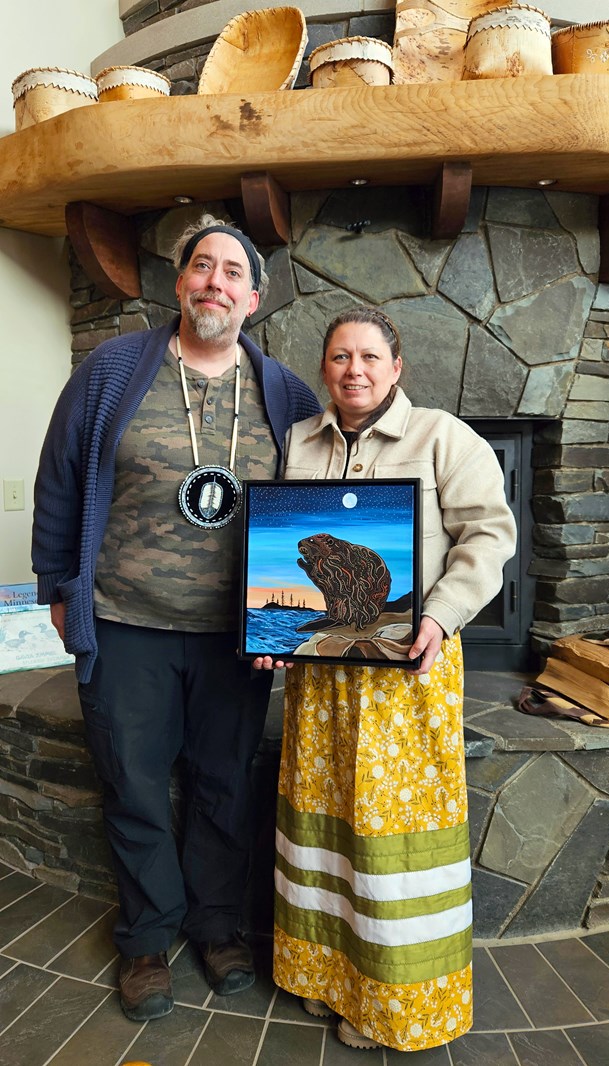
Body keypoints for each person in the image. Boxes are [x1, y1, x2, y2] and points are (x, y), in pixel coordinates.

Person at [31, 215, 321, 1023]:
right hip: (125, 623)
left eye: (233, 272)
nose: (215, 282)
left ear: (254, 299)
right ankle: (148, 939)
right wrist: (59, 586)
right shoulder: (111, 370)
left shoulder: (286, 393)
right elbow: (59, 478)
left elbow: (305, 512)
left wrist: (298, 625)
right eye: (203, 266)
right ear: (179, 280)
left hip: (237, 638)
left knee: (224, 786)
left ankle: (218, 926)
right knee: (134, 785)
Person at [255, 307, 517, 1052]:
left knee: (387, 836)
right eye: (340, 357)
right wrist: (267, 633)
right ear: (325, 369)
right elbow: (272, 552)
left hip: (410, 670)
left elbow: (490, 535)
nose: (355, 370)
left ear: (397, 366)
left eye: (370, 356)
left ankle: (389, 1002)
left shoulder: (443, 438)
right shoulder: (299, 442)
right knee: (323, 819)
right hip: (324, 679)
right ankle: (324, 977)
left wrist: (441, 614)